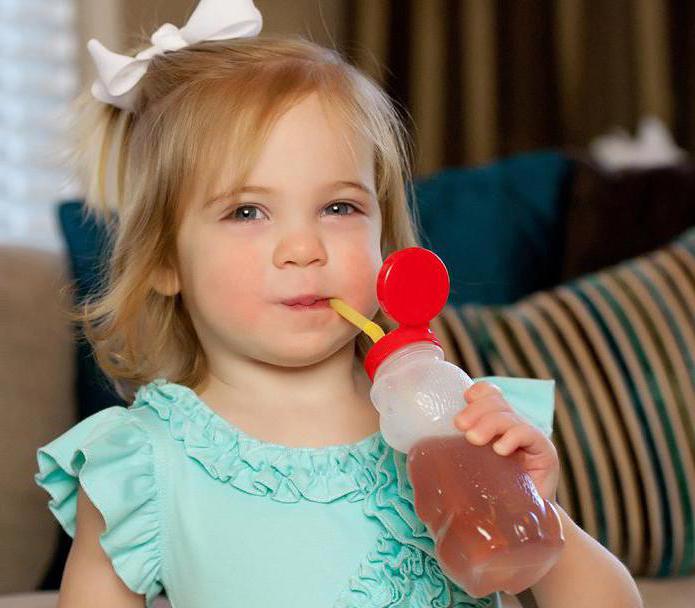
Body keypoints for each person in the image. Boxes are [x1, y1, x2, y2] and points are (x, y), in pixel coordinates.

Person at [34, 1, 644, 607]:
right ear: (166, 259)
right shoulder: (142, 464)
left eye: (339, 208)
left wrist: (541, 515)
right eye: (247, 212)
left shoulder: (457, 428)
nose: (303, 248)